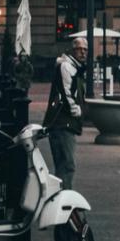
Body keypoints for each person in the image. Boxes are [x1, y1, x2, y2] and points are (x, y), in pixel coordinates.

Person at [44, 35, 86, 189]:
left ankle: (61, 196)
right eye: (79, 49)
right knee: (67, 165)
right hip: (63, 122)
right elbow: (66, 92)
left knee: (63, 165)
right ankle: (64, 199)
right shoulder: (67, 67)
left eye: (84, 50)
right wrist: (77, 110)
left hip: (64, 123)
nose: (82, 53)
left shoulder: (73, 67)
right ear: (72, 50)